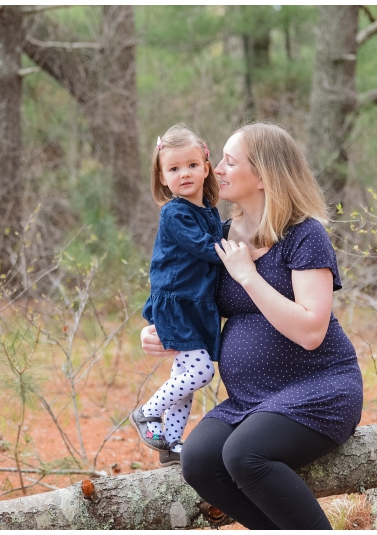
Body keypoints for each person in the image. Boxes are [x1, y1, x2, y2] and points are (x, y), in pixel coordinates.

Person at [140, 122, 363, 529]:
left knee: (244, 454)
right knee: (199, 461)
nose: (216, 167)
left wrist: (248, 276)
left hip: (317, 387)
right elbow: (179, 287)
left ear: (261, 175)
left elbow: (312, 330)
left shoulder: (304, 235)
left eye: (229, 160)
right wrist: (159, 327)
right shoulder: (220, 237)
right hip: (250, 398)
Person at [131, 124, 230, 467]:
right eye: (173, 169)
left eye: (190, 165)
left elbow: (215, 238)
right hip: (177, 302)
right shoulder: (174, 212)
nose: (184, 174)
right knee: (201, 372)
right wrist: (239, 251)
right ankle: (147, 413)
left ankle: (171, 445)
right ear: (162, 177)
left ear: (206, 166)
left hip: (195, 304)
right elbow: (205, 248)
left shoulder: (209, 212)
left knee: (183, 380)